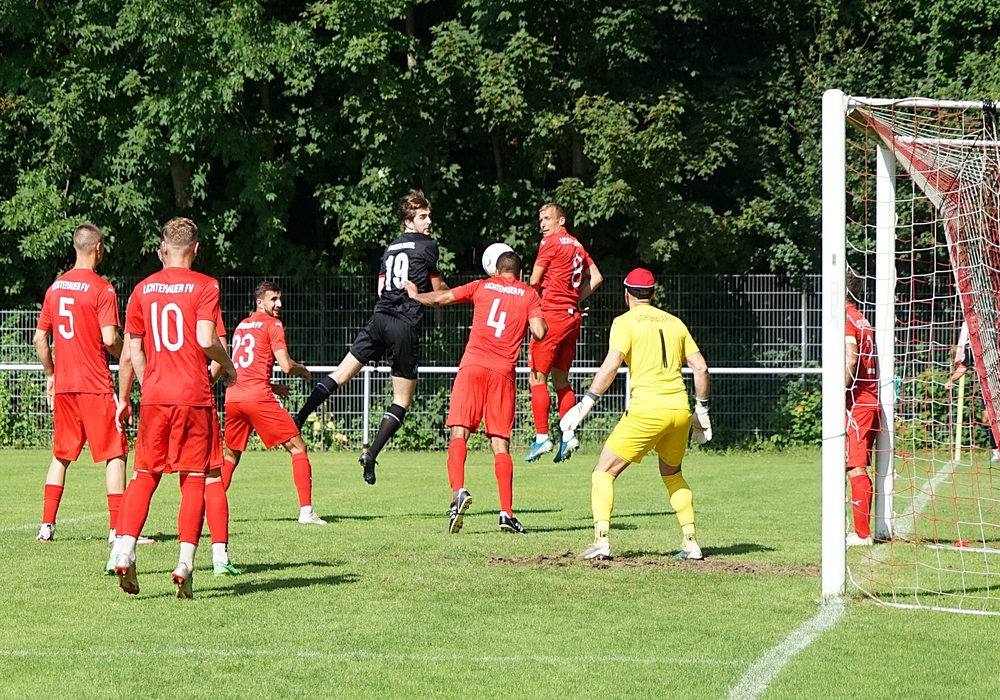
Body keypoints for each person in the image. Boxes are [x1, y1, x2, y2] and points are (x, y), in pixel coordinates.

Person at [109, 217, 237, 598]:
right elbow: (206, 338)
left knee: (144, 475)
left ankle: (125, 551)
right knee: (195, 478)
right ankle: (184, 563)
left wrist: (147, 383)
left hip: (155, 396)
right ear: (195, 249)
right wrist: (228, 365)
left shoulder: (142, 289)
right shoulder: (206, 285)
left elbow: (132, 348)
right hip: (193, 395)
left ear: (162, 248)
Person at [295, 190, 448, 484]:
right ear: (408, 221)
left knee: (340, 374)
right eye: (423, 217)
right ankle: (372, 454)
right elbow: (439, 292)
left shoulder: (390, 248)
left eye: (429, 216)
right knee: (402, 399)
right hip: (404, 324)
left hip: (379, 318)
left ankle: (300, 418)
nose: (429, 221)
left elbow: (380, 290)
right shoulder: (428, 245)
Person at [560, 269, 711, 560]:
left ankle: (601, 542)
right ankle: (691, 544)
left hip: (647, 410)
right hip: (679, 410)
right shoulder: (675, 322)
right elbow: (701, 368)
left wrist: (584, 405)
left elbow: (611, 364)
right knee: (673, 475)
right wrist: (702, 411)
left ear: (626, 294)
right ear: (652, 294)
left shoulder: (624, 322)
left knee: (603, 473)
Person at [405, 251, 547, 533]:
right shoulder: (529, 294)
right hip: (502, 372)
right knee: (500, 443)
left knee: (459, 431)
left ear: (496, 270)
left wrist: (416, 295)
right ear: (519, 273)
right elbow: (539, 332)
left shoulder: (481, 286)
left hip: (472, 365)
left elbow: (441, 298)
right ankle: (506, 513)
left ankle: (458, 491)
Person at [33, 224, 129, 546]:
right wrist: (128, 352)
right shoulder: (103, 289)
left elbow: (40, 339)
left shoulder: (55, 288)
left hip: (65, 385)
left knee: (61, 455)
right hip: (95, 385)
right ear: (98, 248)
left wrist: (51, 374)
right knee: (115, 453)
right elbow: (110, 339)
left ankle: (47, 526)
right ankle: (117, 530)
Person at [223, 280, 325, 525]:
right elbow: (286, 366)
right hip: (257, 397)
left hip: (234, 397)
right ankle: (306, 512)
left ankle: (207, 510)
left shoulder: (242, 326)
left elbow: (245, 367)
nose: (279, 304)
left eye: (280, 299)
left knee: (230, 456)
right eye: (273, 299)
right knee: (298, 447)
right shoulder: (273, 325)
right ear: (260, 302)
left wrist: (274, 386)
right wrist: (302, 369)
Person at [525, 203, 602, 463]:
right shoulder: (578, 245)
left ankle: (541, 438)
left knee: (537, 377)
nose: (543, 224)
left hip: (552, 316)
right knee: (561, 379)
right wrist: (574, 301)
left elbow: (535, 280)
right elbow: (596, 277)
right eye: (541, 220)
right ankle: (568, 435)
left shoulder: (550, 243)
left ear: (561, 220)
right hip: (572, 318)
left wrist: (532, 303)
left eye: (547, 218)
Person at [844, 270, 880, 547]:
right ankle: (859, 529)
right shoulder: (861, 318)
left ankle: (862, 534)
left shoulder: (847, 319)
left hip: (859, 403)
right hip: (868, 400)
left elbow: (851, 358)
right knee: (852, 464)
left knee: (855, 466)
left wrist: (837, 392)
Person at [944, 321, 999, 463]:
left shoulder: (994, 338)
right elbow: (964, 366)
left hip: (997, 383)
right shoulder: (972, 346)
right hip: (987, 387)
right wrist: (951, 380)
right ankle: (996, 451)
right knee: (986, 419)